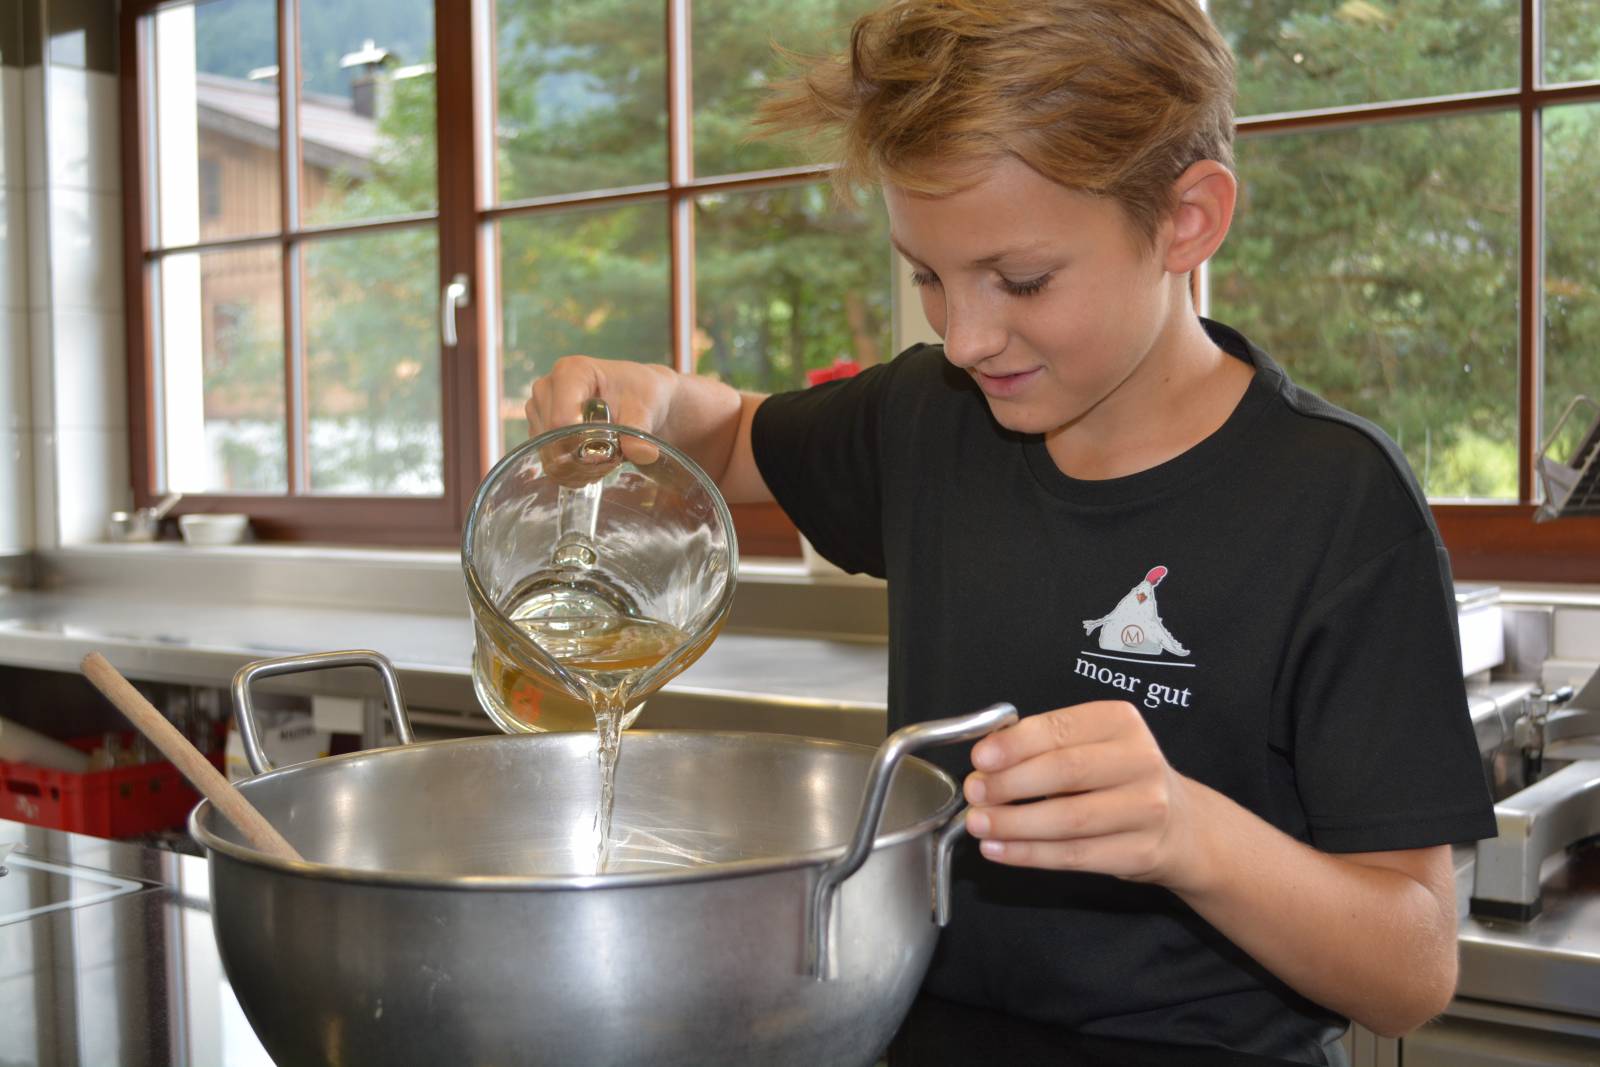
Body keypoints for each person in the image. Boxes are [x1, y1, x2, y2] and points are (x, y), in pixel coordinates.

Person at [524, 1, 1496, 1062]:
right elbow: (728, 440)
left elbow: (1411, 968)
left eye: (1021, 280)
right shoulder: (931, 418)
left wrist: (1185, 828)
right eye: (929, 276)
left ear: (1187, 220)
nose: (967, 336)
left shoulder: (1334, 504)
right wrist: (647, 401)